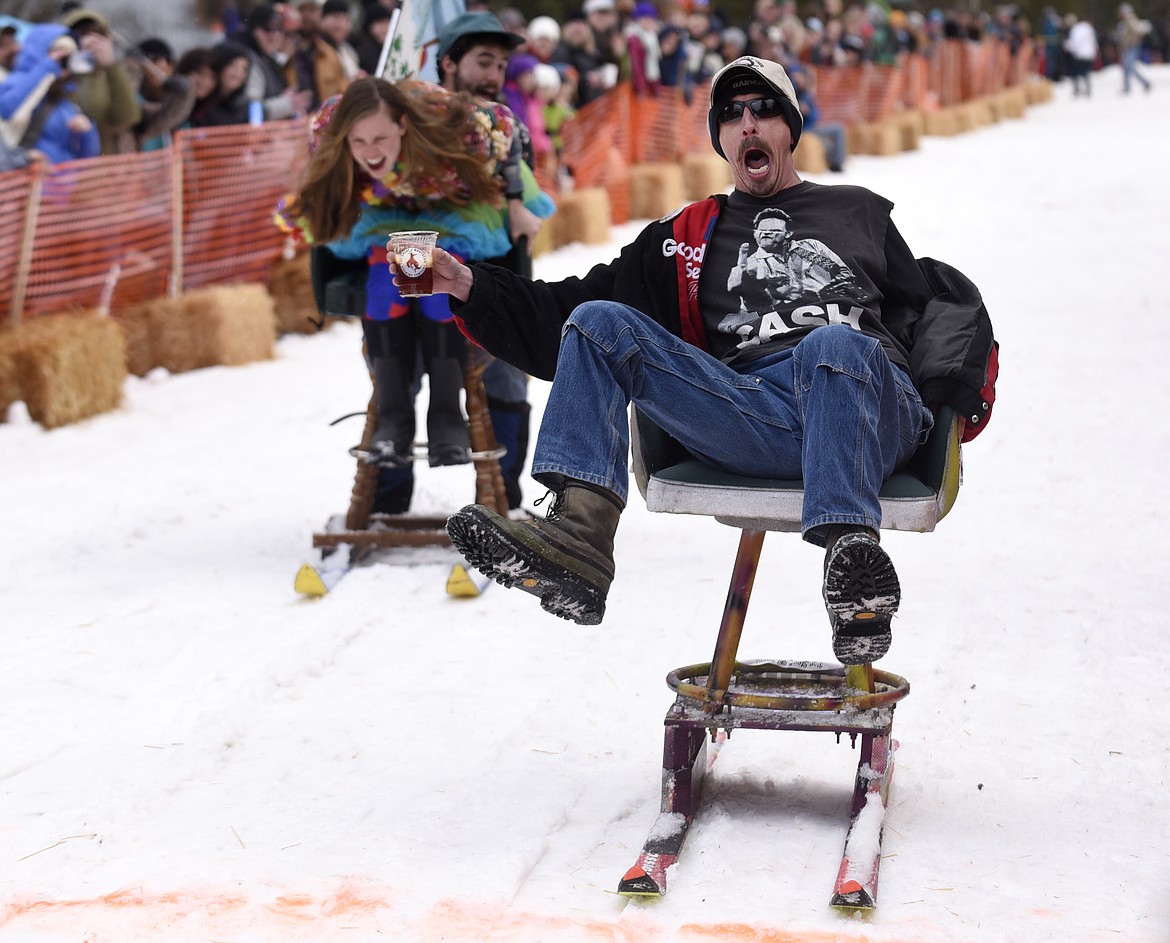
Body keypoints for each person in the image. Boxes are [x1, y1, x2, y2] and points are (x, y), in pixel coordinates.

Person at [424, 56, 997, 666]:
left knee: (833, 345)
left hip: (868, 409)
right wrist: (469, 287)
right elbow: (562, 312)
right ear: (721, 139)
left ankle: (854, 565)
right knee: (596, 323)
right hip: (755, 412)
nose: (748, 123)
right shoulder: (689, 235)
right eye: (732, 115)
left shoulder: (857, 211)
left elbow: (927, 311)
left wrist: (946, 403)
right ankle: (580, 542)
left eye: (763, 109)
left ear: (790, 128)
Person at [278, 76, 552, 477]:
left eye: (380, 138)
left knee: (435, 269)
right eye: (359, 142)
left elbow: (507, 125)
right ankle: (394, 417)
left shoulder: (459, 127)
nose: (370, 153)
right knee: (383, 277)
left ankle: (445, 414)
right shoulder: (327, 128)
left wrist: (514, 201)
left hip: (453, 207)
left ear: (403, 124)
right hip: (382, 211)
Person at [437, 10, 555, 512]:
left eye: (501, 64)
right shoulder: (419, 121)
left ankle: (502, 496)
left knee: (506, 376)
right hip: (420, 271)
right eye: (483, 61)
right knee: (396, 370)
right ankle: (388, 491)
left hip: (494, 276)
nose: (493, 75)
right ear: (448, 64)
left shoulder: (511, 125)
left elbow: (524, 201)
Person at [0, 24, 99, 163]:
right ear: (39, 52)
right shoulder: (14, 82)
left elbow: (88, 158)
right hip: (16, 173)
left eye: (68, 58)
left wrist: (87, 133)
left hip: (56, 181)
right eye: (58, 54)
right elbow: (7, 110)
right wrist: (47, 67)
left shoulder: (67, 105)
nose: (62, 62)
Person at [58, 7, 141, 155]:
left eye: (98, 34)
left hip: (105, 167)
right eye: (82, 34)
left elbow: (127, 117)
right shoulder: (60, 76)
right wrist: (75, 62)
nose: (91, 41)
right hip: (68, 167)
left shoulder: (114, 76)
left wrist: (110, 65)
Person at [126, 38, 195, 151]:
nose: (162, 65)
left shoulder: (171, 96)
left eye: (168, 60)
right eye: (154, 60)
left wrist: (183, 96)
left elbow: (168, 116)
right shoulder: (135, 98)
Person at [1114, 3, 1152, 94]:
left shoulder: (1131, 20)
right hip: (1126, 48)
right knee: (1126, 67)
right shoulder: (1124, 22)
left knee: (1129, 66)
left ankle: (1144, 83)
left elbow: (1138, 30)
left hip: (1132, 47)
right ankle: (1128, 86)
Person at [1064, 15, 1098, 98]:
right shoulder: (1089, 29)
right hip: (1089, 54)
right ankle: (1088, 90)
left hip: (1079, 55)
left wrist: (1066, 46)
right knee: (1086, 73)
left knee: (1076, 72)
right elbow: (1094, 42)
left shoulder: (1076, 30)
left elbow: (1074, 43)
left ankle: (1077, 90)